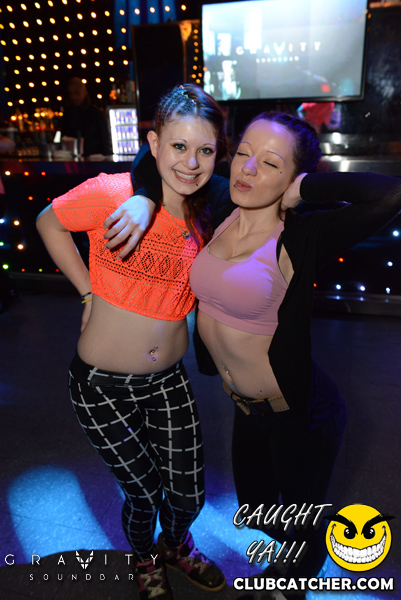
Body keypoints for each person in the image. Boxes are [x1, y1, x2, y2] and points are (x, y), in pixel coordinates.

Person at [105, 111, 401, 599]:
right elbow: (152, 156)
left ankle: (293, 583)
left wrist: (306, 188)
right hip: (246, 409)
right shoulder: (224, 205)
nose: (246, 168)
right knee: (259, 508)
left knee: (301, 521)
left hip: (299, 413)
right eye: (243, 152)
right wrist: (143, 197)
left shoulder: (302, 234)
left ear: (293, 177)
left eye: (270, 163)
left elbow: (390, 194)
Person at [36, 84, 229, 600]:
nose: (191, 163)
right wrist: (86, 291)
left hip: (168, 380)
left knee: (188, 493)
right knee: (143, 493)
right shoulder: (112, 193)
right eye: (179, 146)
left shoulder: (210, 211)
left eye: (205, 150)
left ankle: (177, 545)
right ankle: (146, 558)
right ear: (154, 143)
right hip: (100, 387)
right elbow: (48, 221)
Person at [59, 77, 112, 157]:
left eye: (77, 93)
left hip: (93, 160)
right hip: (76, 159)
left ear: (84, 92)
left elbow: (105, 143)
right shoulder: (67, 114)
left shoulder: (96, 114)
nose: (73, 97)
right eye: (71, 94)